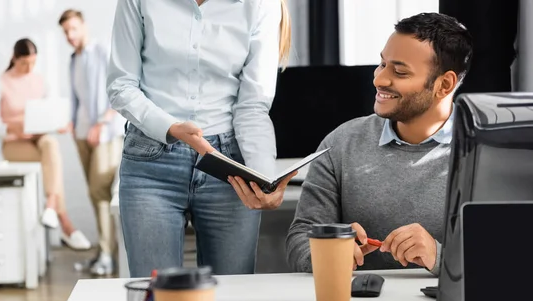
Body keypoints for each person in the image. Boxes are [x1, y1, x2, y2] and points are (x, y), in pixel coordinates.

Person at [107, 0, 296, 277]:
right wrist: (170, 127)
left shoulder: (260, 5)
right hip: (151, 162)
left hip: (229, 167)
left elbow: (252, 106)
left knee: (232, 299)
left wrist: (265, 180)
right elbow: (120, 85)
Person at [286, 13, 473, 276]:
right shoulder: (341, 142)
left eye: (399, 71)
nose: (379, 79)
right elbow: (301, 236)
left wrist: (438, 255)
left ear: (444, 84)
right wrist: (328, 251)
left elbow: (508, 255)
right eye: (382, 64)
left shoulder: (484, 152)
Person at [0, 38, 91, 251]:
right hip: (13, 144)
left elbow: (49, 112)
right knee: (50, 159)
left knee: (51, 143)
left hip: (39, 139)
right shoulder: (0, 83)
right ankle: (64, 220)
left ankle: (51, 203)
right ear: (14, 59)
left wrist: (59, 123)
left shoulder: (41, 81)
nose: (29, 68)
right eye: (24, 63)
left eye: (33, 63)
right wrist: (14, 127)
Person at [58, 9, 125, 276]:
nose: (70, 36)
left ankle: (109, 254)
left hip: (105, 133)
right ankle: (103, 251)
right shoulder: (72, 60)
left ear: (83, 25)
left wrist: (102, 123)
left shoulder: (102, 51)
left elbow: (120, 89)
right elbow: (77, 98)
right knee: (94, 193)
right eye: (65, 32)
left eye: (73, 29)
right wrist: (72, 122)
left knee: (101, 192)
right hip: (82, 134)